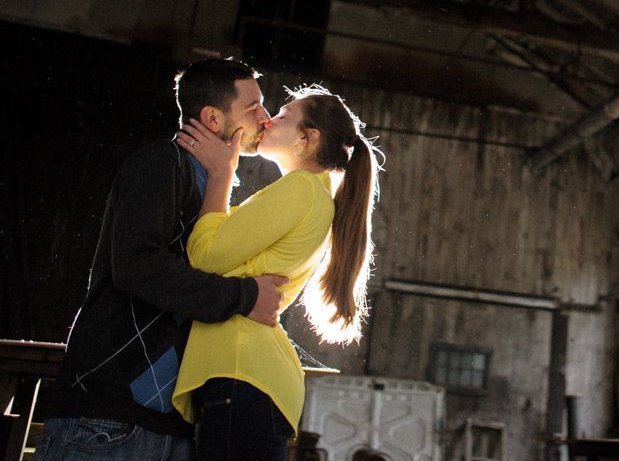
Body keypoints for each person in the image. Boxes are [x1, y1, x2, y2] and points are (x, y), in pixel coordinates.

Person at [36, 58, 287, 461]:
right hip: (109, 415)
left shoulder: (213, 190)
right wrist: (243, 296)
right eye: (253, 107)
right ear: (211, 117)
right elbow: (138, 266)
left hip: (170, 424)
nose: (266, 118)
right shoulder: (161, 164)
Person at [170, 84, 380, 461]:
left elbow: (204, 257)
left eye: (283, 116)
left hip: (243, 374)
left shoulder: (301, 189)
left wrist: (222, 173)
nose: (268, 120)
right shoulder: (311, 193)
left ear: (307, 138)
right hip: (249, 378)